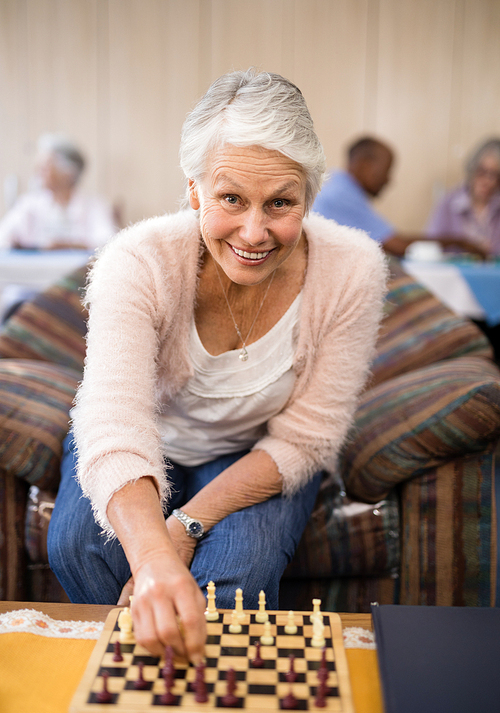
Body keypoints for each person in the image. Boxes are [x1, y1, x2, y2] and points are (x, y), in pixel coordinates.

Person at [47, 70, 387, 665]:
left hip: (255, 448)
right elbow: (114, 420)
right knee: (82, 546)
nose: (254, 233)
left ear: (310, 195)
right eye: (231, 198)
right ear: (196, 191)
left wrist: (180, 530)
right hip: (150, 438)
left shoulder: (353, 268)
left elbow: (307, 438)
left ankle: (209, 700)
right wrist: (152, 560)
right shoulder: (137, 261)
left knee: (239, 574)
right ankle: (137, 684)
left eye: (281, 202)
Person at [313, 136, 488, 258]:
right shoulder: (342, 194)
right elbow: (399, 246)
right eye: (386, 170)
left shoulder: (337, 186)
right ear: (364, 164)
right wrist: (459, 242)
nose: (389, 180)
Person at [0, 133, 116, 251]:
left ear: (68, 173)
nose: (38, 173)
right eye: (39, 167)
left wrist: (69, 246)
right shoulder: (28, 204)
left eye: (45, 168)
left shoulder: (94, 205)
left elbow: (108, 243)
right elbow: (3, 238)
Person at [426, 138, 500, 257]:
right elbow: (431, 246)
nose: (487, 181)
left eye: (495, 175)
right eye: (482, 171)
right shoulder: (448, 203)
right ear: (472, 169)